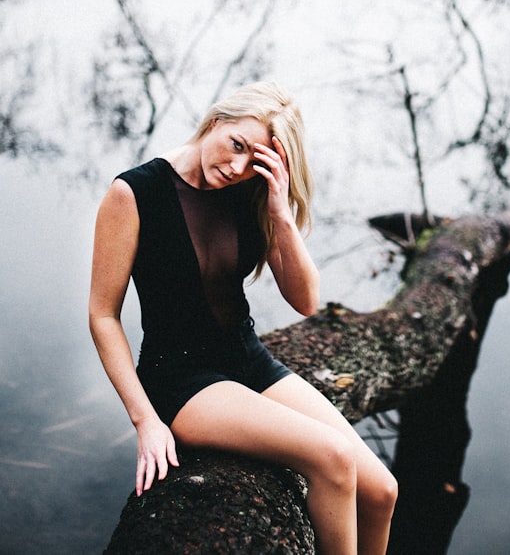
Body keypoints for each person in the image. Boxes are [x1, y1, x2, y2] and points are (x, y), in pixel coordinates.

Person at [88, 81, 397, 554]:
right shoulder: (134, 193)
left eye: (253, 159)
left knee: (380, 492)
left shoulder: (248, 192)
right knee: (332, 458)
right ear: (216, 121)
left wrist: (281, 212)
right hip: (180, 377)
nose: (236, 167)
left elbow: (307, 302)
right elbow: (103, 316)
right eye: (236, 145)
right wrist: (146, 421)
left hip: (247, 359)